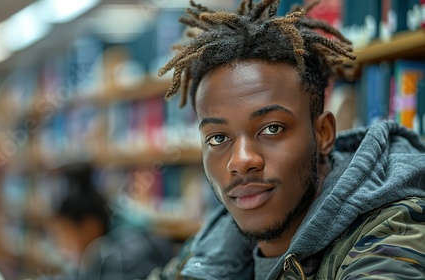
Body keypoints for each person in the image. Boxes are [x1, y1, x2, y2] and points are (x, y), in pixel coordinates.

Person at [147, 0, 425, 279]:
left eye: (271, 129)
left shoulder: (392, 233)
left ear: (323, 134)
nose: (242, 161)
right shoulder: (209, 246)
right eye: (218, 137)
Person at [48, 164, 175, 280]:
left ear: (89, 227)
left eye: (63, 232)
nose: (60, 245)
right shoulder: (107, 253)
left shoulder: (122, 262)